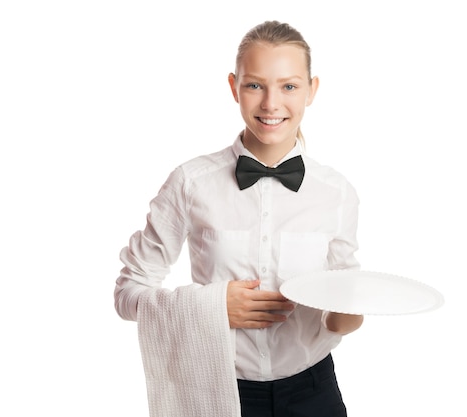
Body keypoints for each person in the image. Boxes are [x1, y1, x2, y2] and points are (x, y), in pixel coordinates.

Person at [114, 20, 364, 417]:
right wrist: (213, 307)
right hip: (216, 392)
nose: (271, 104)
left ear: (312, 90)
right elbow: (129, 293)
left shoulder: (336, 192)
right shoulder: (190, 183)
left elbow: (340, 319)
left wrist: (351, 312)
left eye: (289, 86)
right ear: (234, 87)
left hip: (314, 393)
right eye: (255, 85)